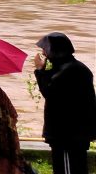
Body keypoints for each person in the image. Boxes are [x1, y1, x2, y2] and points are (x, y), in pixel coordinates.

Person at [33, 32, 96, 174]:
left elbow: (49, 92)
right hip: (71, 133)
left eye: (45, 50)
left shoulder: (69, 71)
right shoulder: (71, 67)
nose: (43, 54)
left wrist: (39, 71)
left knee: (68, 169)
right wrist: (44, 70)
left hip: (67, 135)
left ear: (54, 51)